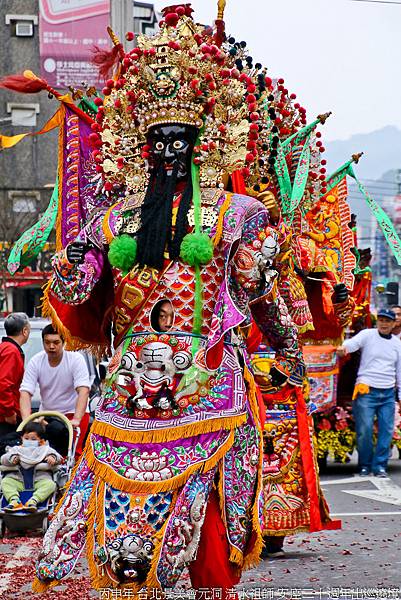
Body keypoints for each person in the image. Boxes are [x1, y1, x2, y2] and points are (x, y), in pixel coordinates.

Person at [30, 6, 304, 595]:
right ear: (143, 148)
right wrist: (73, 265)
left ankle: (206, 584)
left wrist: (288, 347)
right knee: (119, 501)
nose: (172, 151)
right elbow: (78, 293)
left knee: (209, 519)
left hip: (209, 380)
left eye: (183, 140)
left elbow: (260, 294)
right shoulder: (114, 221)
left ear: (203, 145)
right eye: (160, 141)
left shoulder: (238, 217)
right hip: (132, 389)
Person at [337, 308, 401, 477]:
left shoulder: (397, 344)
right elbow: (352, 344)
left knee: (386, 430)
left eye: (387, 321)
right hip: (366, 390)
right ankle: (365, 464)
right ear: (377, 322)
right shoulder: (368, 334)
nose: (384, 324)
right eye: (381, 320)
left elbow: (400, 371)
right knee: (364, 429)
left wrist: (400, 396)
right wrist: (344, 348)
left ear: (393, 324)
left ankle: (380, 466)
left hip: (387, 393)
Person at [19, 324, 90, 456]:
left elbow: (83, 390)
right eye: (47, 342)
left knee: (72, 453)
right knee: (40, 452)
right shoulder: (36, 361)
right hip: (46, 415)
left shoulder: (75, 359)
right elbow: (25, 392)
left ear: (63, 342)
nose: (51, 346)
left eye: (56, 342)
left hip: (72, 413)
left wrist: (77, 419)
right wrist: (27, 421)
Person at [1, 421, 62, 512]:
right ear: (22, 438)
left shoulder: (45, 449)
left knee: (50, 485)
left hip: (39, 480)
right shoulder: (16, 449)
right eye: (26, 438)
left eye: (33, 439)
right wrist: (12, 458)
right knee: (6, 482)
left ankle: (34, 500)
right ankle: (14, 500)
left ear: (41, 441)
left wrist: (52, 457)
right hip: (18, 480)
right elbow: (3, 459)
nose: (29, 441)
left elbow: (58, 457)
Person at [0, 313, 30, 439]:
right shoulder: (11, 351)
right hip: (5, 418)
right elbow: (3, 383)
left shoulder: (6, 348)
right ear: (24, 331)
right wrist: (9, 412)